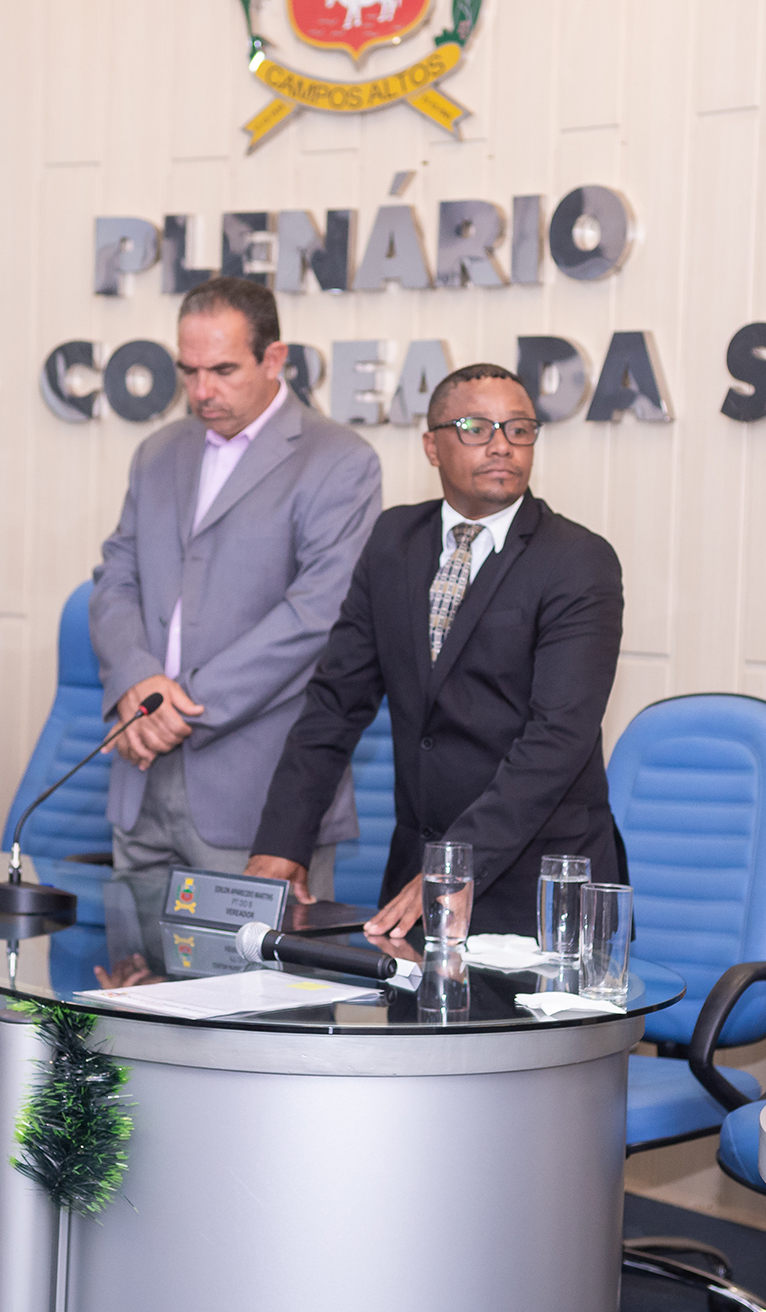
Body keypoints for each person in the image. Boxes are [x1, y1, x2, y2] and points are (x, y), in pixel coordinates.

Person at [248, 363, 625, 941]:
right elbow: (335, 702)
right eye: (476, 428)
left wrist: (456, 863)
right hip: (415, 881)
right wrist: (283, 840)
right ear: (432, 446)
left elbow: (557, 738)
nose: (501, 445)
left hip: (539, 888)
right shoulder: (393, 541)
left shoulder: (577, 559)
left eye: (519, 429)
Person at [90, 277, 381, 893]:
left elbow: (318, 614)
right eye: (188, 371)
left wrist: (177, 707)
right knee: (128, 956)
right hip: (140, 777)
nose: (201, 391)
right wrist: (136, 681)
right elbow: (116, 576)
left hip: (259, 790)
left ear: (274, 358)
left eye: (222, 370)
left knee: (254, 962)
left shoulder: (339, 460)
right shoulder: (157, 452)